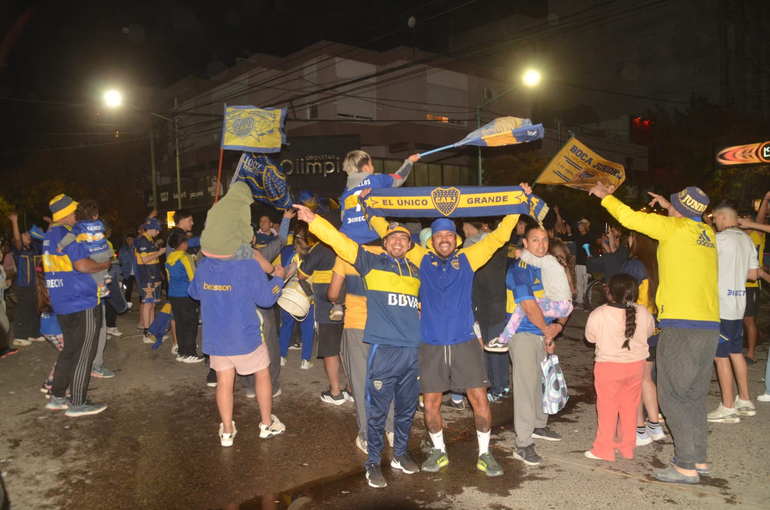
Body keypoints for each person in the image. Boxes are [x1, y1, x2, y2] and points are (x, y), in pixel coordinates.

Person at [366, 186, 530, 478]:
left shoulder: (469, 257)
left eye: (449, 236)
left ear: (456, 240)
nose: (444, 239)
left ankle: (485, 453)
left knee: (479, 398)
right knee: (431, 403)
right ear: (432, 241)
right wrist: (369, 206)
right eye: (439, 236)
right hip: (430, 344)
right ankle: (439, 451)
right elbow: (390, 233)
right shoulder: (421, 258)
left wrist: (517, 205)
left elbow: (498, 238)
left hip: (464, 341)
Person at [590, 183, 719, 485]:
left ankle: (685, 466)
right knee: (694, 396)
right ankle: (698, 458)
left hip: (681, 325)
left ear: (678, 211)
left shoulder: (672, 228)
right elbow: (687, 217)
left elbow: (630, 218)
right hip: (709, 325)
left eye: (673, 206)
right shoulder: (707, 234)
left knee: (671, 396)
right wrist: (671, 206)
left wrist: (605, 196)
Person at [296, 204, 421, 489]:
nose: (398, 242)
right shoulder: (371, 262)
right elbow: (341, 244)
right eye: (392, 238)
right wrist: (315, 221)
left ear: (409, 245)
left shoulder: (415, 270)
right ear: (384, 242)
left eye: (403, 238)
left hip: (406, 345)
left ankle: (399, 451)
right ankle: (372, 457)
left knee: (404, 401)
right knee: (372, 394)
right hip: (374, 336)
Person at [191, 182, 288, 446]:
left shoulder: (205, 264)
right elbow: (266, 299)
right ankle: (267, 424)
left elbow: (195, 293)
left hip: (216, 337)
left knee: (224, 381)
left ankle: (226, 431)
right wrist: (278, 280)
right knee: (262, 374)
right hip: (245, 336)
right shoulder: (247, 265)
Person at [506, 224, 570, 467]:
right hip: (523, 333)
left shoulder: (548, 265)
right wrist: (548, 331)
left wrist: (558, 327)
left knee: (540, 382)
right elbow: (529, 306)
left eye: (544, 239)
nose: (541, 245)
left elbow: (565, 299)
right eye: (535, 240)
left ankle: (538, 425)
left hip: (543, 332)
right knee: (525, 387)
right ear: (525, 243)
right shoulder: (519, 269)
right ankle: (522, 444)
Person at [43, 194, 111, 417]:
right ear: (69, 213)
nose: (78, 215)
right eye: (76, 211)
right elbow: (82, 265)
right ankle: (78, 402)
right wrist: (105, 264)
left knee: (70, 350)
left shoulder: (50, 234)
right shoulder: (67, 232)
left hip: (61, 300)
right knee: (84, 352)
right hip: (81, 300)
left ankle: (58, 396)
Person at [584, 273, 654, 461]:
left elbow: (590, 338)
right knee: (630, 408)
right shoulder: (643, 312)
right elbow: (648, 332)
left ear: (609, 291)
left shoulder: (599, 313)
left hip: (609, 367)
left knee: (607, 409)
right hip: (636, 366)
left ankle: (604, 449)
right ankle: (627, 447)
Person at [707, 199, 759, 424]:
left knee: (720, 357)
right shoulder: (747, 240)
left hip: (721, 306)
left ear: (724, 217)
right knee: (736, 352)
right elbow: (753, 275)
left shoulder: (718, 240)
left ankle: (728, 407)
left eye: (716, 218)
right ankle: (745, 400)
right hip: (738, 305)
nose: (715, 222)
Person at [619, 231, 666, 446]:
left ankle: (639, 429)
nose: (628, 241)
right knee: (646, 377)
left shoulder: (634, 266)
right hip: (654, 327)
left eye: (631, 237)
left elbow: (624, 297)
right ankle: (654, 425)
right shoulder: (659, 263)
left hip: (636, 327)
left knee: (633, 380)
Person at [488, 238, 574, 352]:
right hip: (565, 307)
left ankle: (503, 339)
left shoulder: (549, 261)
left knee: (522, 307)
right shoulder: (558, 268)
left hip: (552, 312)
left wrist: (522, 251)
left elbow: (529, 308)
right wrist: (554, 330)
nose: (541, 248)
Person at [463, 218, 511, 404]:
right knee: (500, 349)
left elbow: (475, 291)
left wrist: (473, 313)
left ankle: (495, 389)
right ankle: (504, 386)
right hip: (500, 309)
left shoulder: (479, 266)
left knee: (487, 352)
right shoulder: (500, 257)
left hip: (484, 312)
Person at [298, 237, 350, 405]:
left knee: (330, 349)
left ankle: (335, 392)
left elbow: (301, 274)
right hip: (351, 302)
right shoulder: (350, 245)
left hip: (326, 305)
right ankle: (351, 389)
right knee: (348, 348)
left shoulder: (320, 249)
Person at [339, 150, 419, 244]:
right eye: (371, 164)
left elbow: (343, 217)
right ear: (365, 168)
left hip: (347, 239)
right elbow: (399, 177)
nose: (373, 167)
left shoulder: (346, 192)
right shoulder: (376, 179)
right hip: (372, 238)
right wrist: (409, 161)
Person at [55, 199, 112, 297]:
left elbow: (71, 236)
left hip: (94, 252)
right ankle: (106, 276)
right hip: (106, 250)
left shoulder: (79, 226)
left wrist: (61, 246)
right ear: (96, 215)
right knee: (103, 261)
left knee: (94, 270)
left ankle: (103, 288)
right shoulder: (100, 223)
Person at [277, 222, 315, 368]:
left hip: (287, 294)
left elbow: (278, 270)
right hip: (307, 297)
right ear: (309, 237)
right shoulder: (313, 252)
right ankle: (305, 360)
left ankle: (281, 356)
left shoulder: (285, 251)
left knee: (286, 326)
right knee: (307, 328)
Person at [166, 229, 204, 363]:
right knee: (191, 322)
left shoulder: (169, 258)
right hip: (186, 294)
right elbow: (193, 276)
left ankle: (181, 351)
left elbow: (169, 278)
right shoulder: (185, 257)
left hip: (173, 294)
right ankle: (190, 352)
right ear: (183, 244)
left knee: (180, 322)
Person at [741, 191, 768, 364]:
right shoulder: (737, 236)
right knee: (736, 319)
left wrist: (765, 199)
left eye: (746, 220)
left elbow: (760, 219)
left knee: (748, 319)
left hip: (751, 284)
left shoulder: (756, 236)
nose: (743, 223)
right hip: (736, 283)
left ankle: (751, 353)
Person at [9, 213, 42, 346]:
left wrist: (49, 227)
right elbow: (17, 239)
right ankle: (19, 337)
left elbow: (44, 239)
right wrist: (14, 222)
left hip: (35, 285)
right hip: (23, 285)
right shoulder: (19, 250)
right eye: (25, 234)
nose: (27, 235)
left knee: (35, 309)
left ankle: (34, 333)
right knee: (24, 309)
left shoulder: (34, 249)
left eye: (29, 234)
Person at [135, 217, 166, 341]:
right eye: (156, 230)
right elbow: (144, 260)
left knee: (152, 304)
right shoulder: (143, 242)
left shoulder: (150, 240)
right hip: (147, 276)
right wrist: (159, 253)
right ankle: (147, 333)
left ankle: (152, 331)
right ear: (150, 229)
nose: (158, 232)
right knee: (148, 304)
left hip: (153, 275)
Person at [119, 235, 137, 304]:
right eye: (127, 240)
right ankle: (127, 303)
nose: (128, 241)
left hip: (137, 272)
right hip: (127, 273)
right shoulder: (123, 249)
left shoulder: (137, 247)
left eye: (129, 239)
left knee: (141, 289)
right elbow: (120, 260)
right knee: (128, 289)